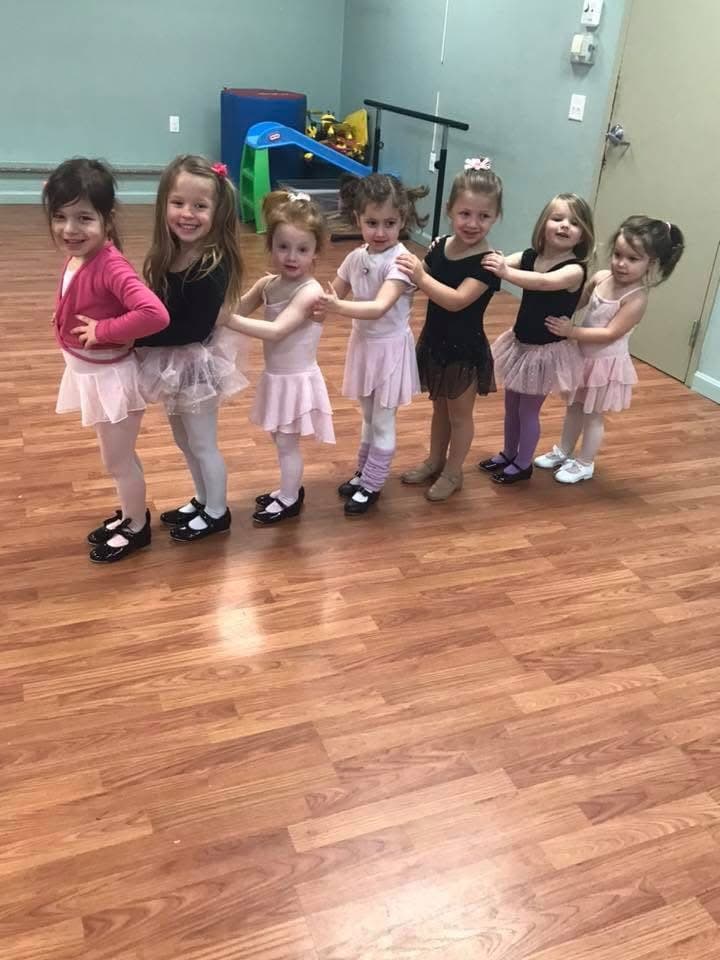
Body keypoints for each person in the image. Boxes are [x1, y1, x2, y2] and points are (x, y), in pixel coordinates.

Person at [45, 158, 169, 563]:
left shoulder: (110, 265)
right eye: (60, 217)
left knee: (117, 459)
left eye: (83, 218)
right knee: (116, 457)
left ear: (107, 219)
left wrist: (103, 331)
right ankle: (131, 513)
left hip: (112, 377)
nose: (69, 229)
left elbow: (154, 314)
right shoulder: (79, 256)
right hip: (93, 374)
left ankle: (137, 527)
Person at [134, 155, 246, 542]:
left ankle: (218, 512)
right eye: (178, 203)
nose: (187, 214)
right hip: (173, 363)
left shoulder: (211, 262)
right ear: (164, 203)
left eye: (200, 206)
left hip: (196, 365)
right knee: (184, 440)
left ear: (217, 211)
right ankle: (202, 499)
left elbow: (194, 327)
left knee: (202, 442)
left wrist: (137, 337)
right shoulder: (171, 253)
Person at [536, 216, 685, 483]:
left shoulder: (636, 299)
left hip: (604, 365)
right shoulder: (601, 277)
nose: (621, 263)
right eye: (617, 254)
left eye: (632, 258)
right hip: (582, 358)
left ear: (651, 263)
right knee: (574, 407)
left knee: (593, 415)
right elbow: (579, 302)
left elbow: (609, 333)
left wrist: (571, 331)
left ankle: (584, 463)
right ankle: (564, 450)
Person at [317, 173, 428, 515]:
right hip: (364, 346)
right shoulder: (356, 257)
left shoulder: (401, 262)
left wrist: (335, 307)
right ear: (358, 220)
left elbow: (379, 307)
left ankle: (373, 484)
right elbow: (333, 292)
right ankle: (364, 473)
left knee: (382, 420)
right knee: (367, 416)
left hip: (389, 350)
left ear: (403, 221)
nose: (380, 232)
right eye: (372, 223)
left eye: (390, 223)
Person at [222, 191, 334, 524]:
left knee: (287, 442)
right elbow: (237, 307)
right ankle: (288, 488)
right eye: (283, 247)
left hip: (296, 379)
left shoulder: (310, 291)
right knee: (278, 438)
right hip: (276, 376)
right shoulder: (268, 284)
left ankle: (289, 497)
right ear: (270, 246)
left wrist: (226, 319)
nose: (291, 256)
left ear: (316, 252)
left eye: (302, 249)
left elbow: (276, 331)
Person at [396, 158, 503, 500]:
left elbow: (456, 300)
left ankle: (454, 472)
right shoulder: (441, 245)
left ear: (496, 217)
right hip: (436, 342)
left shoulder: (487, 263)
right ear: (449, 211)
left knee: (459, 415)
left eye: (484, 216)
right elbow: (417, 280)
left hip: (464, 349)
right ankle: (434, 460)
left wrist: (421, 276)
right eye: (465, 214)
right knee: (438, 409)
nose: (473, 223)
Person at [480, 193, 595, 483]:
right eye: (557, 219)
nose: (564, 226)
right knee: (511, 407)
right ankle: (508, 452)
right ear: (544, 223)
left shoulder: (573, 270)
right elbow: (502, 262)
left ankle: (523, 463)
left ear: (583, 234)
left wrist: (505, 272)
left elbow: (543, 283)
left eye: (574, 222)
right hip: (520, 344)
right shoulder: (531, 257)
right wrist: (479, 259)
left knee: (528, 411)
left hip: (545, 352)